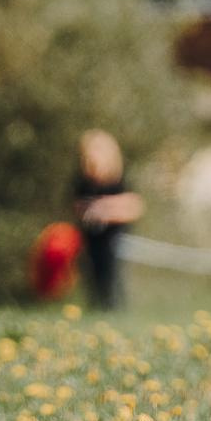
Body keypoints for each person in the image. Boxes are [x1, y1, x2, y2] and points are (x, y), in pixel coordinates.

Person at [71, 129, 144, 310]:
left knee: (112, 274)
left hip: (114, 237)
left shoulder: (118, 180)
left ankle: (114, 308)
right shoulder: (84, 182)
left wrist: (105, 209)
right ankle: (97, 307)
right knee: (93, 273)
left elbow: (135, 205)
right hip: (92, 237)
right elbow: (77, 206)